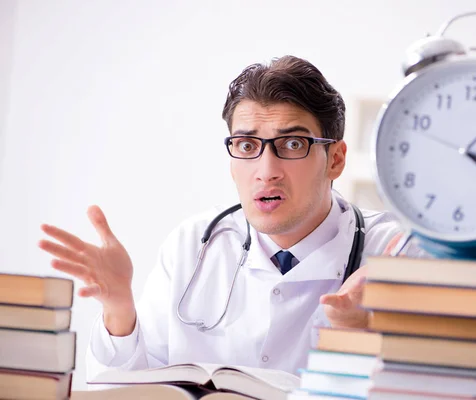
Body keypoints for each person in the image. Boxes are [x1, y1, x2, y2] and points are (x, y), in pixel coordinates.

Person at [38, 55, 406, 379]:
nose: (266, 170)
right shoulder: (191, 245)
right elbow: (125, 387)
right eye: (247, 145)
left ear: (336, 159)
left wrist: (361, 332)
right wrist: (119, 307)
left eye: (292, 144)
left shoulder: (392, 253)